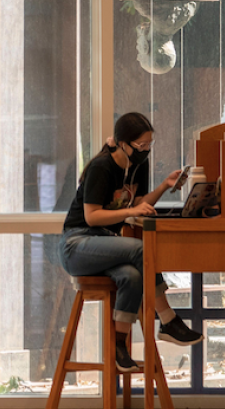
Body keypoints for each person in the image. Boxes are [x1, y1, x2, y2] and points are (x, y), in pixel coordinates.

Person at [58, 112, 203, 374]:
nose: (146, 151)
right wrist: (129, 213)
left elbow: (136, 204)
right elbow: (92, 217)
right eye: (141, 146)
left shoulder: (138, 165)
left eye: (149, 145)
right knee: (141, 250)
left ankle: (118, 347)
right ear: (123, 143)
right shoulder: (102, 167)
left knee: (133, 276)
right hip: (77, 243)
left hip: (106, 243)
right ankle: (168, 320)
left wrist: (163, 186)